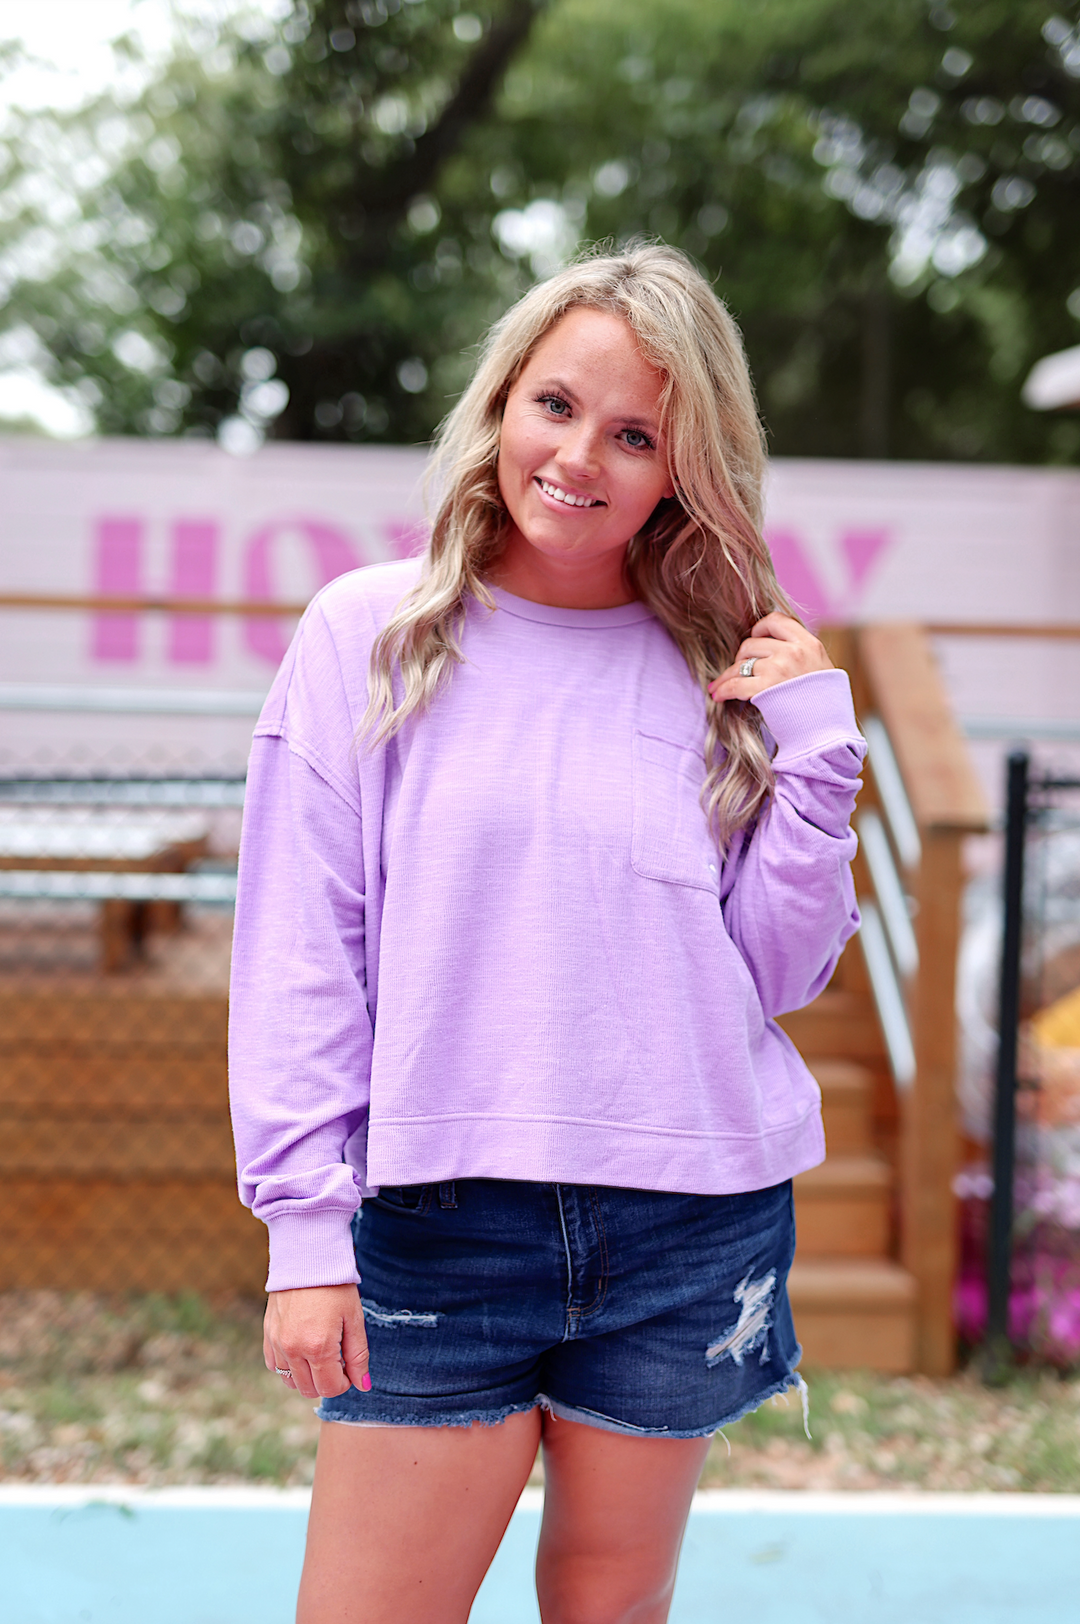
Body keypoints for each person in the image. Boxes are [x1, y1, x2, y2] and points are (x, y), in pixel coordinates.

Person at [228, 243, 864, 1624]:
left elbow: (778, 974)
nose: (581, 457)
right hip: (436, 1218)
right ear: (502, 402)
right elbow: (301, 957)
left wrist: (817, 758)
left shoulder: (726, 671)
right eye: (556, 406)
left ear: (686, 468)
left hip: (689, 1222)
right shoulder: (372, 637)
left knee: (609, 1608)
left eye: (637, 434)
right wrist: (304, 1234)